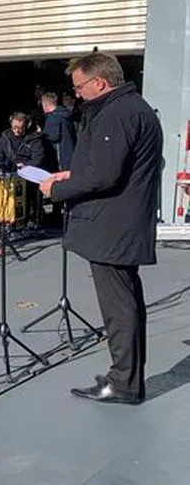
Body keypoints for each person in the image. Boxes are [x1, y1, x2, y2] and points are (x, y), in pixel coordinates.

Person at [41, 51, 162, 405]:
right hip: (122, 224)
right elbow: (110, 167)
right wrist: (74, 174)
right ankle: (126, 376)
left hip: (113, 227)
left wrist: (57, 189)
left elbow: (104, 175)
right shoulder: (134, 108)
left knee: (118, 307)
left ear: (100, 82)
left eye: (80, 87)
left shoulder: (117, 113)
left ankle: (123, 384)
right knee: (127, 300)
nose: (77, 94)